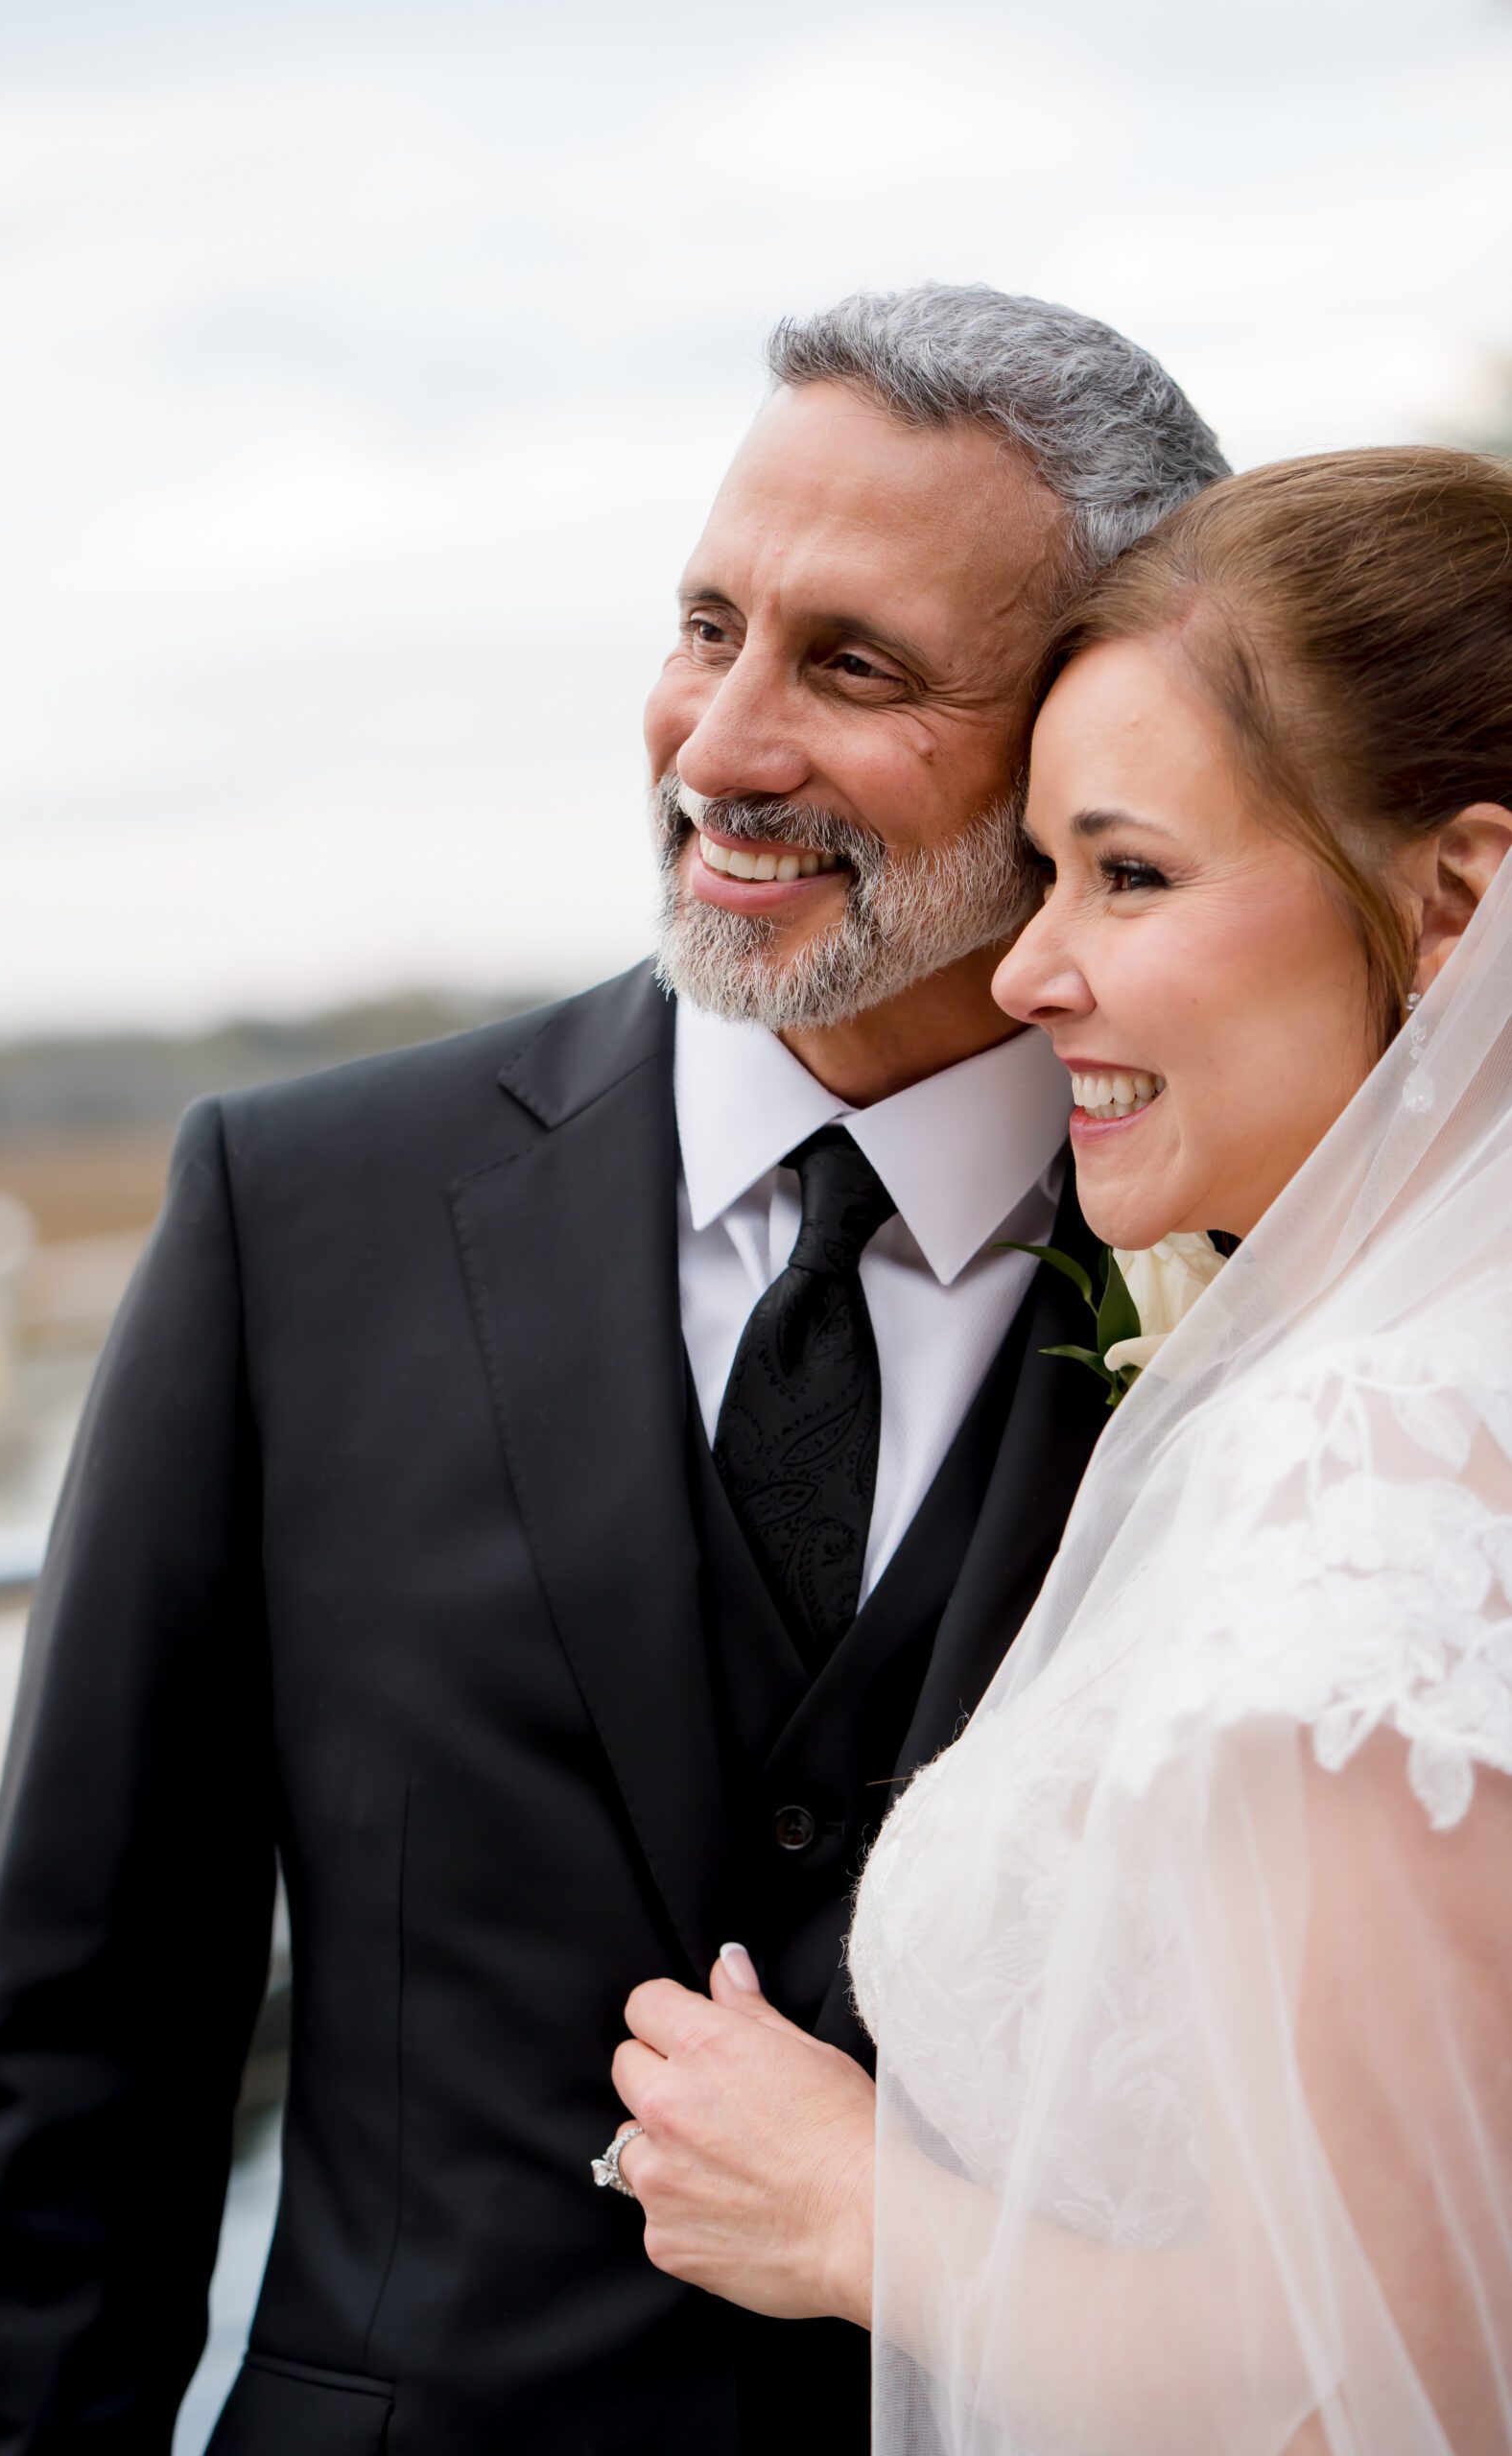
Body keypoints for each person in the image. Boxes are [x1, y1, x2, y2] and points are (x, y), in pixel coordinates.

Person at [0, 285, 1224, 2456]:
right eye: (706, 626)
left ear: (1097, 723)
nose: (715, 745)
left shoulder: (1284, 1292)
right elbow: (86, 2051)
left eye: (849, 664)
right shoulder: (294, 1210)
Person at [604, 446, 1512, 2454]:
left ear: (1449, 902)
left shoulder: (1370, 1471)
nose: (1026, 971)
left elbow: (1396, 2380)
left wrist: (852, 2208)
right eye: (1037, 873)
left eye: (1126, 871)